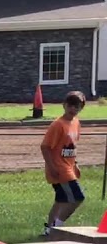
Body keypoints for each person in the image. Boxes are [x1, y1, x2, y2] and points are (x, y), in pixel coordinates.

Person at [41, 91, 85, 236]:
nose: (74, 109)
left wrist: (75, 163)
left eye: (77, 106)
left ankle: (49, 229)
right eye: (71, 105)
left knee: (61, 199)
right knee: (78, 197)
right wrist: (52, 167)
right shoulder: (58, 125)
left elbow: (72, 146)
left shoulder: (76, 123)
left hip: (69, 167)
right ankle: (57, 227)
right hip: (60, 169)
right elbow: (45, 147)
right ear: (64, 105)